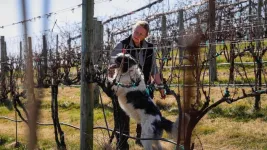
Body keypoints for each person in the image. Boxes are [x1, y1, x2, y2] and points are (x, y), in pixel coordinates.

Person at [108, 20, 166, 149]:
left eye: (141, 34)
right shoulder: (121, 45)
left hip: (142, 88)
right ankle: (122, 144)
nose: (137, 35)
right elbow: (111, 67)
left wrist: (160, 86)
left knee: (144, 116)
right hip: (124, 89)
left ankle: (142, 140)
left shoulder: (150, 47)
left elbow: (153, 69)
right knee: (123, 117)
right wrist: (112, 85)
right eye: (136, 31)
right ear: (133, 29)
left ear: (145, 36)